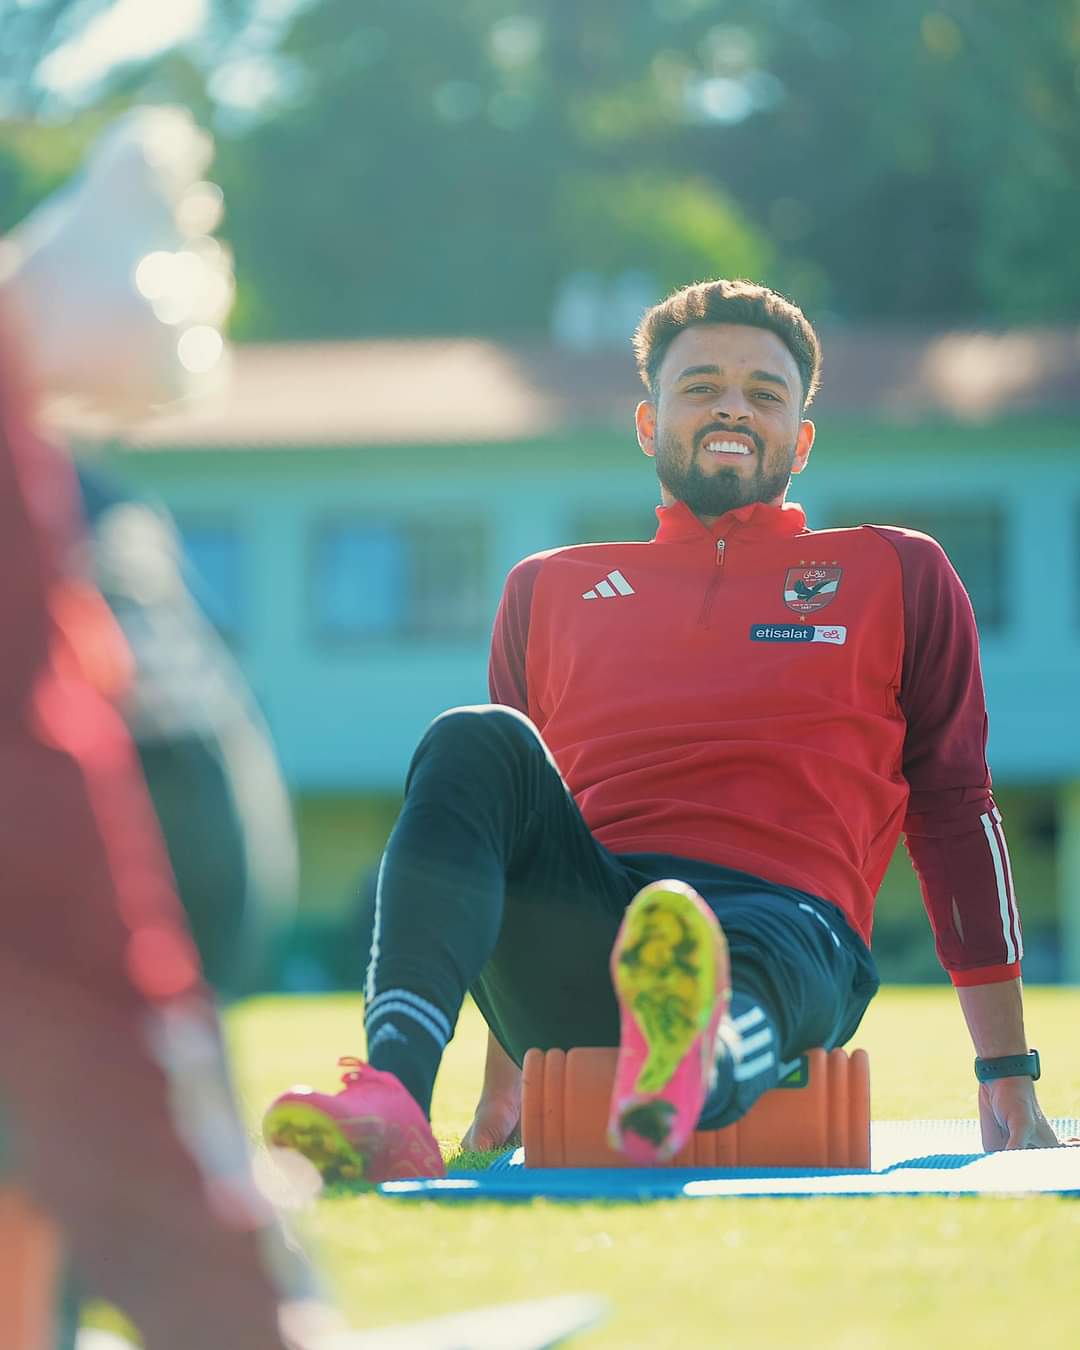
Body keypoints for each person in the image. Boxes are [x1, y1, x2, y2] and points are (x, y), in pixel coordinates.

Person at [264, 278, 1059, 1182]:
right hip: (590, 930)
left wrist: (1005, 1071)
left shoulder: (898, 572)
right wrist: (504, 1091)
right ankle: (395, 1099)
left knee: (754, 959)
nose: (733, 407)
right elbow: (500, 848)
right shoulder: (548, 588)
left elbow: (955, 812)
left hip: (790, 928)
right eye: (701, 386)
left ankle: (692, 1057)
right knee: (472, 738)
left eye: (765, 392)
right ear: (649, 424)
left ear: (801, 440)